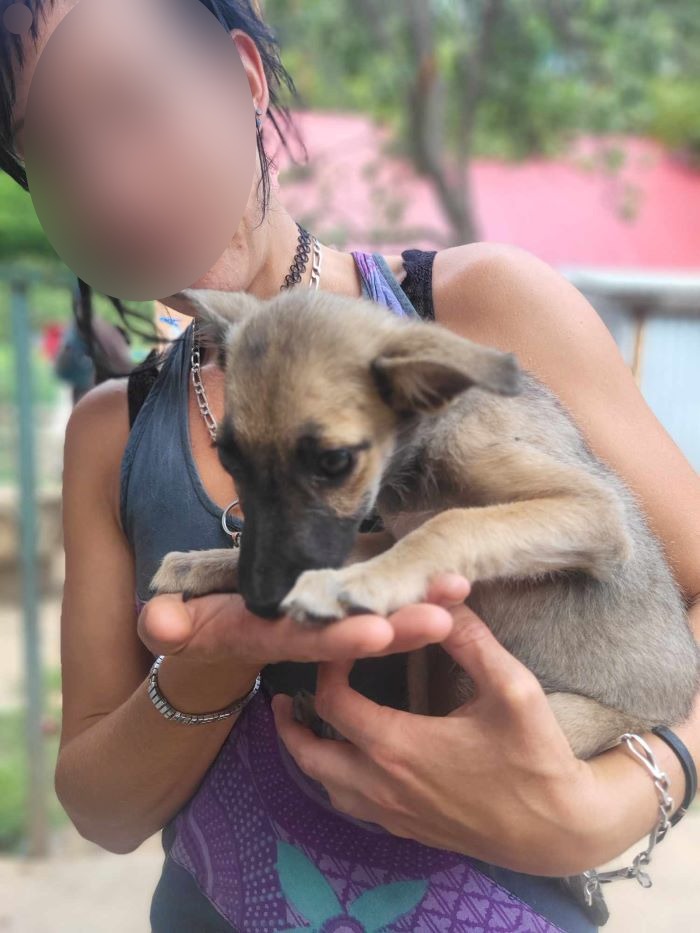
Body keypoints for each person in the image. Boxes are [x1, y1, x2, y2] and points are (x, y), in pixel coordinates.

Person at [3, 2, 698, 931]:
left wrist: (611, 801)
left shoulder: (477, 308)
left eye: (133, 105)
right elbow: (101, 810)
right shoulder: (110, 431)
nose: (113, 184)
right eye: (49, 152)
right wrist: (216, 657)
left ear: (244, 76)